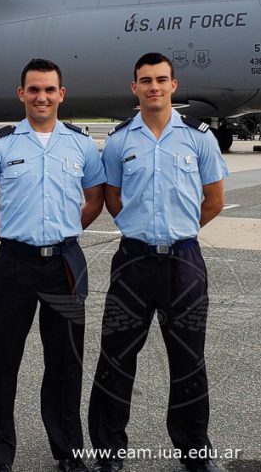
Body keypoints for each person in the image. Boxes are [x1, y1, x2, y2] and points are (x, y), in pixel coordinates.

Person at [0, 58, 106, 472]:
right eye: (34, 89)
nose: (41, 97)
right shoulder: (1, 144)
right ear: (21, 94)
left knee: (65, 361)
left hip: (64, 266)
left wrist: (64, 233)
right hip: (16, 267)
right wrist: (11, 236)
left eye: (49, 90)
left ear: (62, 94)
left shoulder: (79, 144)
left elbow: (94, 199)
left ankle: (69, 453)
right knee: (3, 359)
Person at [88, 53, 229, 472]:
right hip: (133, 262)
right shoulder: (118, 141)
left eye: (161, 79)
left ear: (174, 85)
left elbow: (215, 200)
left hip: (184, 261)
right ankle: (109, 452)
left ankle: (195, 453)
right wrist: (143, 230)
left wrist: (179, 230)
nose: (154, 86)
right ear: (134, 88)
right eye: (145, 80)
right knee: (116, 357)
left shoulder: (199, 138)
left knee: (188, 360)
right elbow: (113, 200)